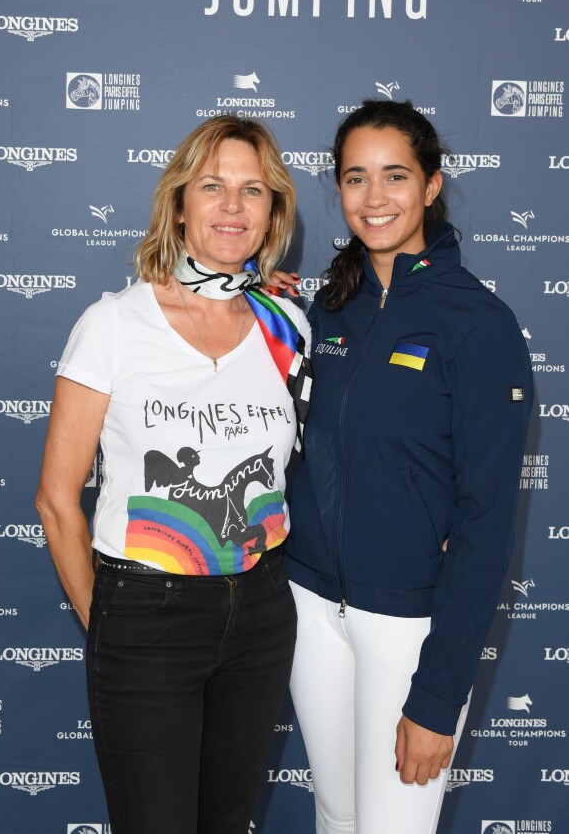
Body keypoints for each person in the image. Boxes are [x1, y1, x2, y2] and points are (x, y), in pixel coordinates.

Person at [35, 115, 311, 834]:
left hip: (260, 612)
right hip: (144, 615)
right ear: (179, 201)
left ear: (272, 210)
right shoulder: (115, 325)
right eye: (213, 186)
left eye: (253, 190)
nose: (232, 207)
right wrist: (114, 633)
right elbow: (57, 501)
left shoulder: (287, 326)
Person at [281, 100, 533, 833]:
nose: (374, 197)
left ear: (430, 185)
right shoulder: (327, 308)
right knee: (336, 812)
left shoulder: (477, 324)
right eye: (355, 178)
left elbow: (486, 527)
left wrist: (437, 698)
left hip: (407, 626)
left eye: (395, 176)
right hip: (308, 607)